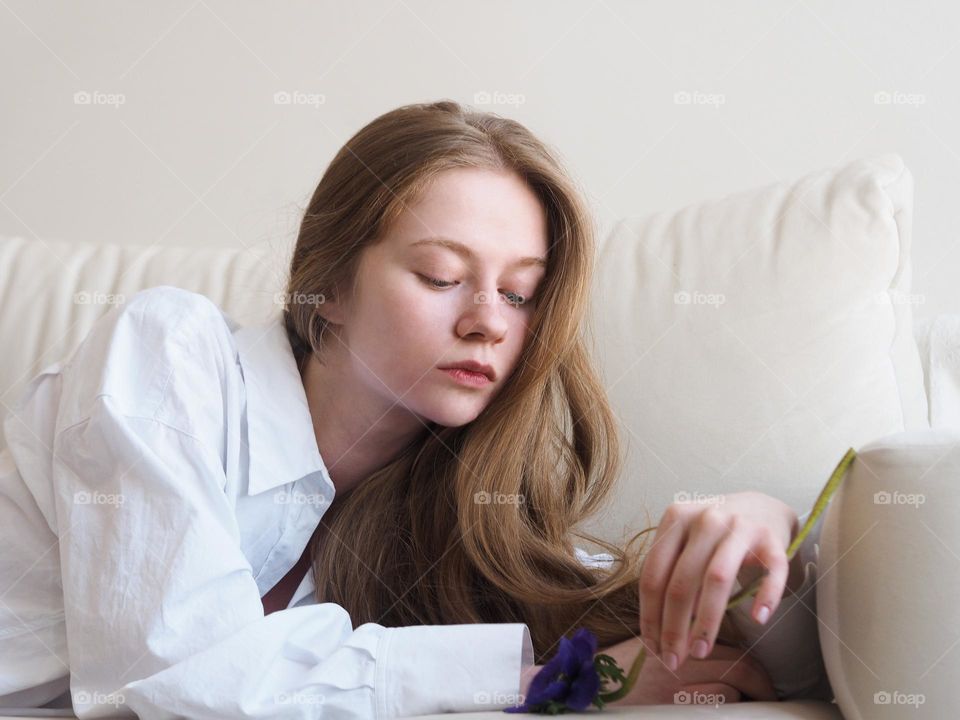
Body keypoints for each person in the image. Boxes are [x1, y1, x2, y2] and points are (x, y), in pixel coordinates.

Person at [0, 100, 829, 718]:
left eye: (520, 292)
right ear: (327, 287)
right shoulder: (167, 350)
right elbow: (175, 686)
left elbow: (762, 658)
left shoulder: (445, 512)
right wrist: (543, 680)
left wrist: (756, 527)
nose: (488, 321)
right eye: (440, 276)